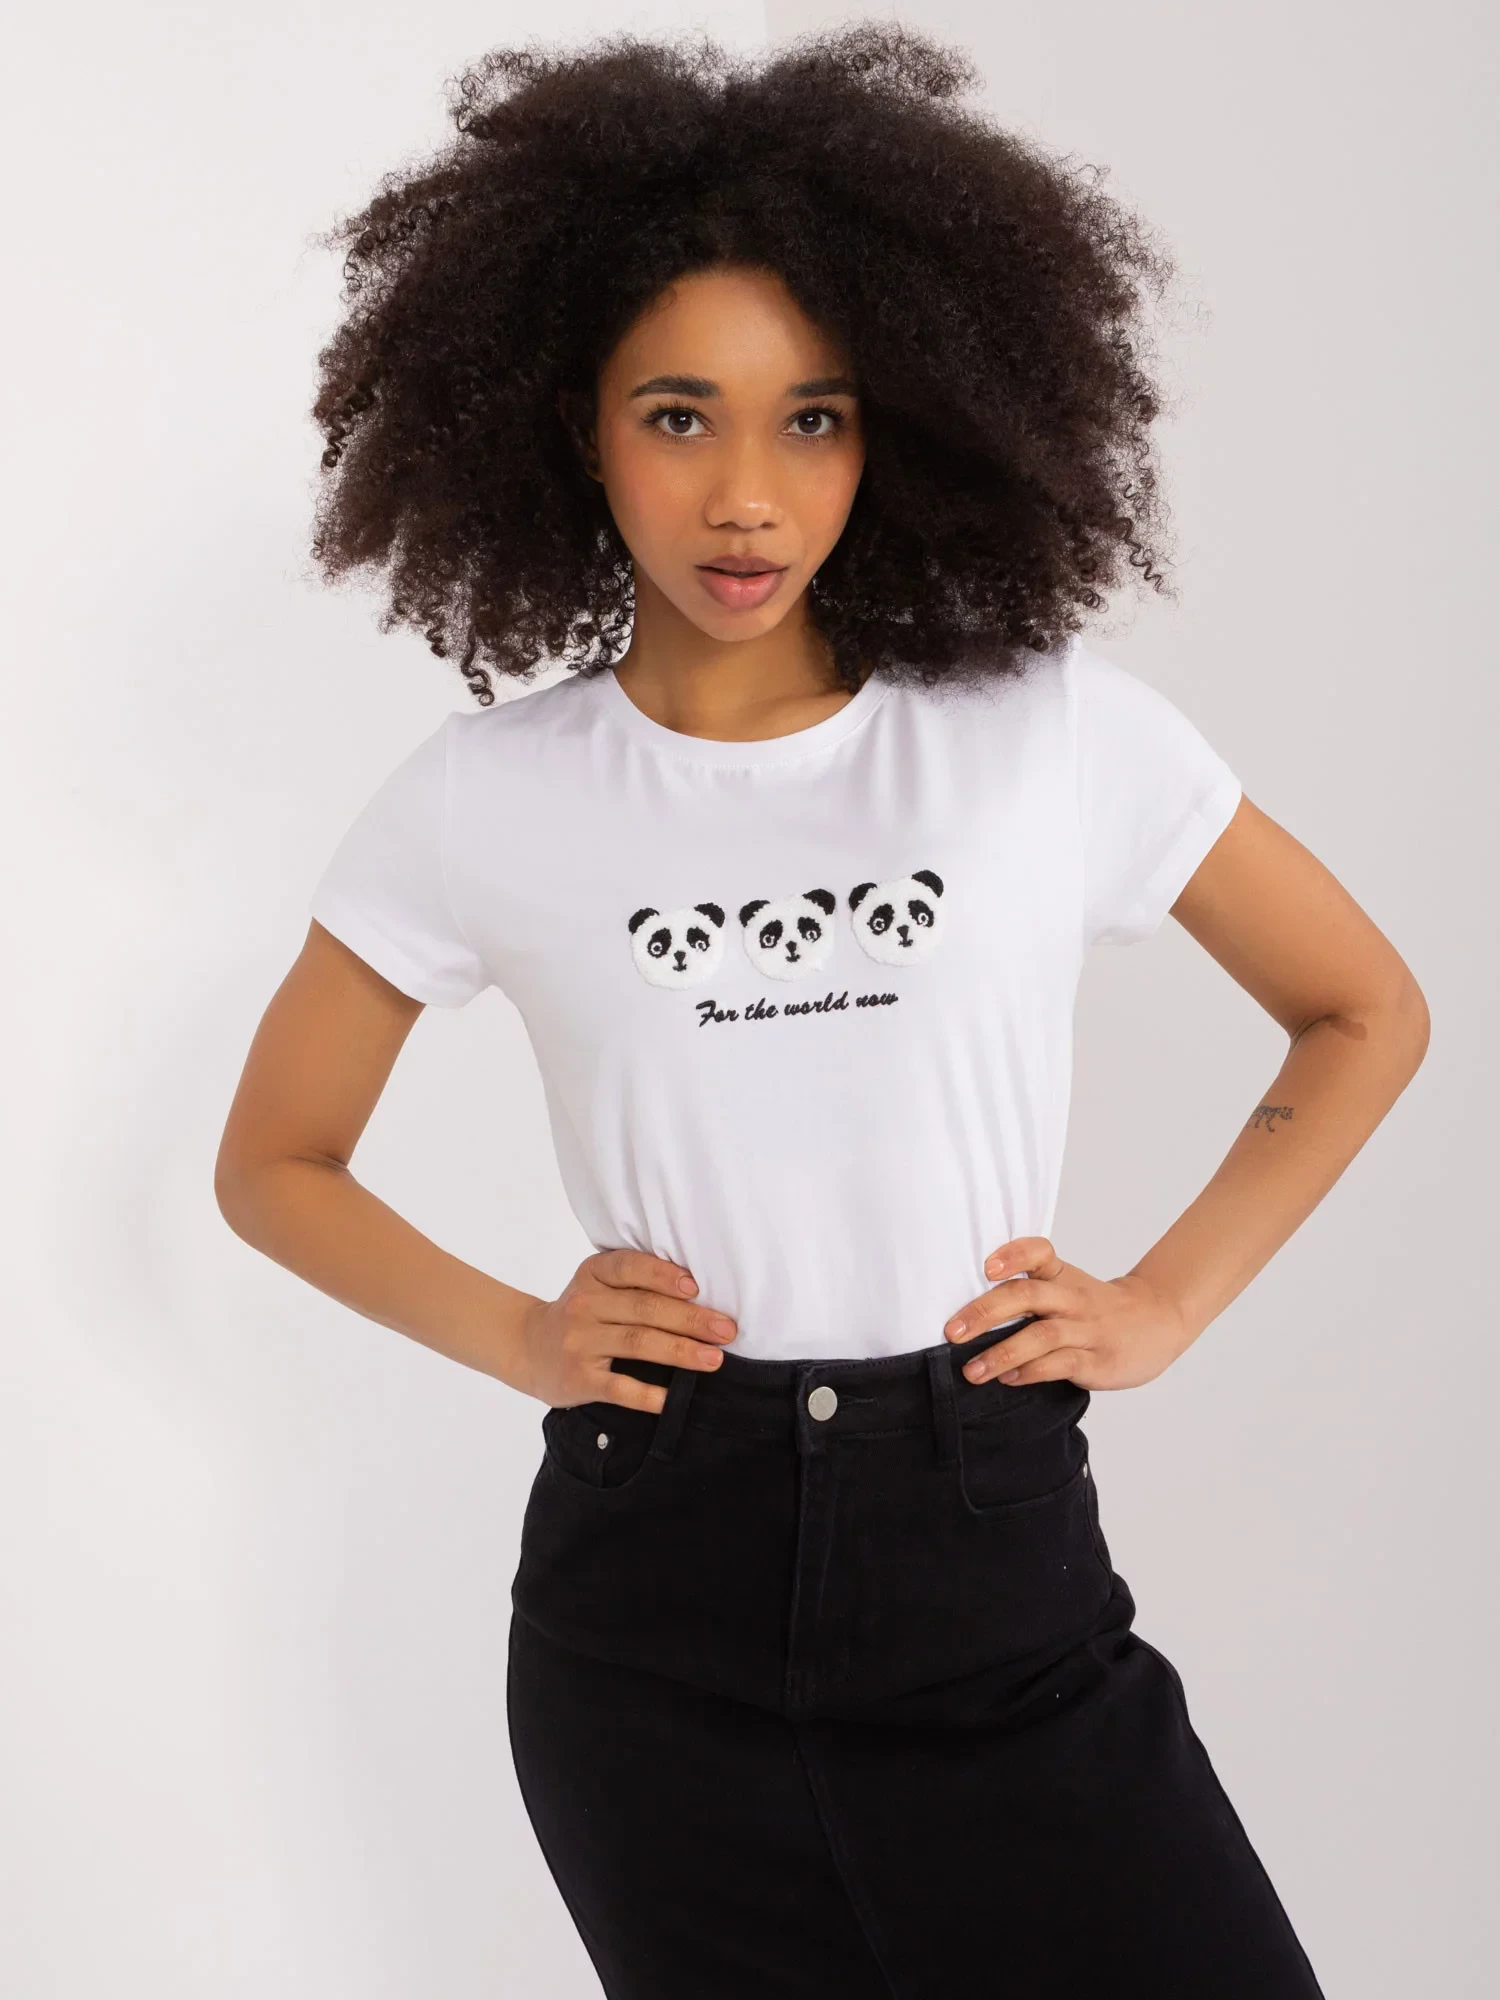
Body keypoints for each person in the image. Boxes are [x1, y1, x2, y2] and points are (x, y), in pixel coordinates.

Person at [214, 27, 1427, 1998]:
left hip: (993, 1571)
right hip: (650, 1619)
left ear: (900, 427)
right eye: (679, 416)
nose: (747, 496)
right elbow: (274, 1162)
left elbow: (1361, 1006)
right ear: (578, 428)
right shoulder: (487, 799)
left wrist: (1168, 1299)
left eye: (814, 420)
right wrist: (524, 1334)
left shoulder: (1044, 736)